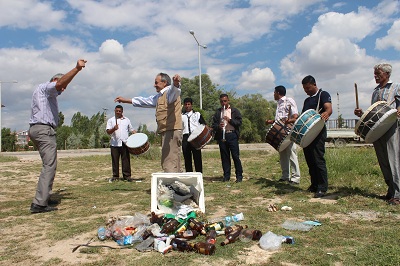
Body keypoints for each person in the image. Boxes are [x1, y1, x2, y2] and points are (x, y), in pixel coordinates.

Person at [28, 59, 87, 213]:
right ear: (55, 80)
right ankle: (39, 204)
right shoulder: (46, 88)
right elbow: (59, 84)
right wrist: (77, 69)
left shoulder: (44, 94)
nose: (63, 90)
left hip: (37, 129)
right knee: (49, 166)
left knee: (48, 165)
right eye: (63, 86)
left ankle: (44, 196)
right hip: (44, 130)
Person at [114, 73, 182, 172]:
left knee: (169, 161)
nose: (154, 85)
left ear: (164, 83)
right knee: (172, 159)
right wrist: (125, 100)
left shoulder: (170, 93)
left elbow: (175, 90)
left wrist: (176, 83)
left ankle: (172, 184)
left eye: (156, 83)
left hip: (172, 130)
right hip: (166, 131)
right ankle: (175, 183)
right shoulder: (159, 96)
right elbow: (144, 101)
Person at [354, 63, 400, 205]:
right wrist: (361, 114)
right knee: (383, 159)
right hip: (377, 128)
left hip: (391, 125)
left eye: (378, 74)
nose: (375, 76)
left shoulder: (395, 87)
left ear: (387, 74)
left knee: (393, 158)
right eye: (375, 74)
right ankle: (391, 190)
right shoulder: (375, 91)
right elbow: (374, 112)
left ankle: (398, 194)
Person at [301, 75, 332, 198]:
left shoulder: (323, 94)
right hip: (307, 133)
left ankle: (322, 187)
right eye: (304, 89)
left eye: (308, 88)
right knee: (310, 159)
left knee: (318, 159)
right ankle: (314, 184)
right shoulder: (307, 100)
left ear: (314, 84)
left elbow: (328, 108)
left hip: (318, 131)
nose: (306, 91)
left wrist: (326, 113)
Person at [265, 85, 301, 184]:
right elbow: (279, 121)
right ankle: (285, 176)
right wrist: (271, 122)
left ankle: (295, 178)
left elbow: (295, 117)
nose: (273, 94)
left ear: (278, 93)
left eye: (274, 92)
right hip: (280, 133)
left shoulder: (289, 101)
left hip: (288, 132)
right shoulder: (279, 104)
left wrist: (289, 120)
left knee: (291, 154)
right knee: (283, 155)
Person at [212, 94, 244, 182]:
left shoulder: (234, 111)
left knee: (235, 156)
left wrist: (229, 120)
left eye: (225, 101)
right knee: (224, 157)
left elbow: (239, 122)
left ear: (228, 100)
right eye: (221, 101)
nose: (223, 103)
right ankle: (226, 176)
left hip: (232, 135)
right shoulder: (218, 112)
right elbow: (213, 125)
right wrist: (219, 126)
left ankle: (239, 176)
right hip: (222, 135)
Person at [106, 105, 136, 182]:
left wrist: (135, 133)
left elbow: (131, 129)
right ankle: (115, 176)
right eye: (116, 111)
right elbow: (108, 132)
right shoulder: (111, 120)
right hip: (114, 144)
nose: (118, 112)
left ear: (122, 111)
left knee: (126, 160)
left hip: (124, 143)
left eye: (119, 111)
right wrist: (114, 128)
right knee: (115, 160)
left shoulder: (127, 120)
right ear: (114, 111)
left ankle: (127, 176)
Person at [182, 98, 206, 173]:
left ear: (191, 105)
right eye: (185, 104)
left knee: (197, 157)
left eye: (189, 104)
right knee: (187, 157)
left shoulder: (197, 114)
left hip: (195, 137)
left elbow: (203, 124)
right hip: (185, 137)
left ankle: (199, 174)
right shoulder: (181, 116)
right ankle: (189, 174)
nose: (187, 106)